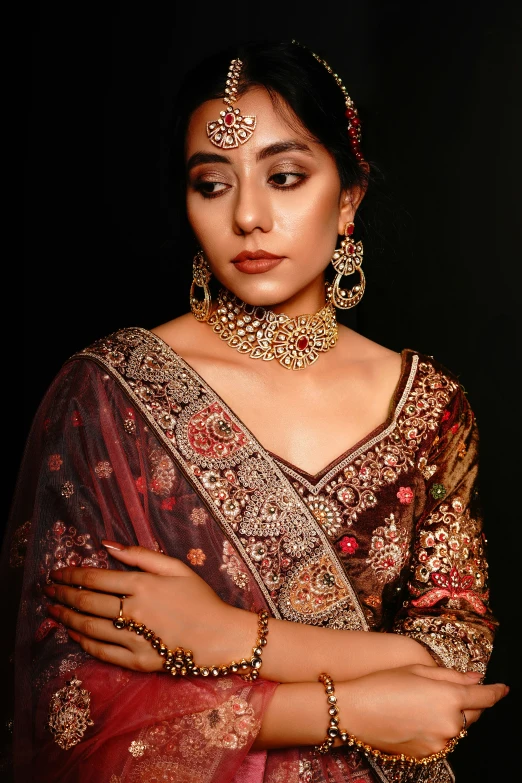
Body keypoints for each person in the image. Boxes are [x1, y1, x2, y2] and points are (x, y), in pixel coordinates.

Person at [1, 39, 508, 783]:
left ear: (348, 198)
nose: (248, 215)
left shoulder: (428, 405)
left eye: (285, 176)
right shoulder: (112, 394)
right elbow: (73, 702)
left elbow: (454, 658)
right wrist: (351, 709)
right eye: (212, 184)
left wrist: (225, 635)